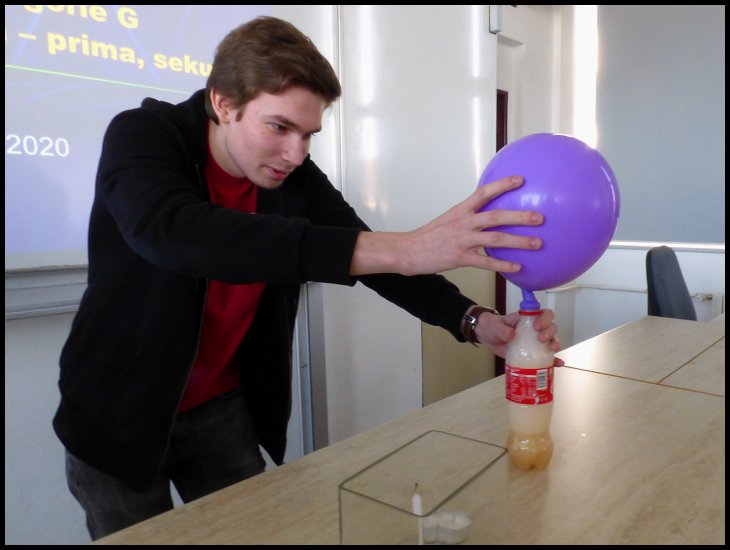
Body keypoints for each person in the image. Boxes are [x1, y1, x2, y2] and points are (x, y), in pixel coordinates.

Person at [53, 15, 561, 540]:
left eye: (308, 134)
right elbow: (175, 233)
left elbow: (373, 258)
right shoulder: (144, 136)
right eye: (279, 128)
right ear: (223, 103)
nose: (296, 154)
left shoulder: (292, 177)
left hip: (220, 409)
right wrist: (408, 247)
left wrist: (473, 320)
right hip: (117, 413)